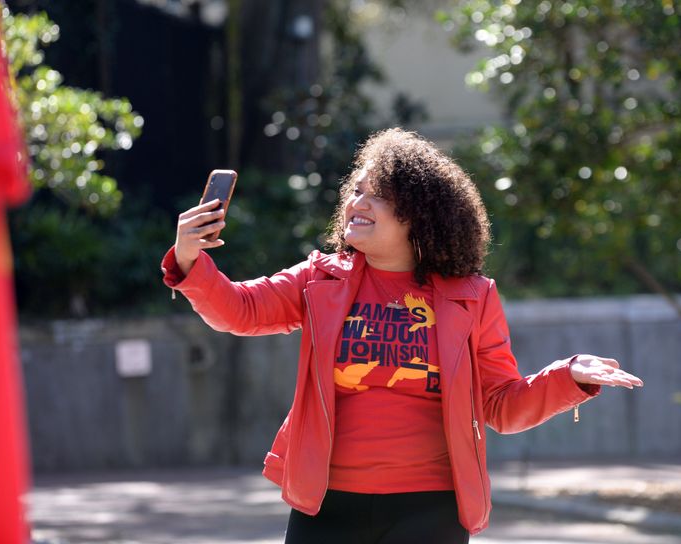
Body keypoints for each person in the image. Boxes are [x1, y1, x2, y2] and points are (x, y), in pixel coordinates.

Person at [161, 128, 643, 543]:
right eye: (356, 190)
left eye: (380, 195)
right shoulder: (318, 280)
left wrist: (568, 378)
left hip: (429, 508)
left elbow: (500, 404)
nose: (358, 203)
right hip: (326, 502)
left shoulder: (472, 297)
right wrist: (188, 259)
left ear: (420, 215)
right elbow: (239, 311)